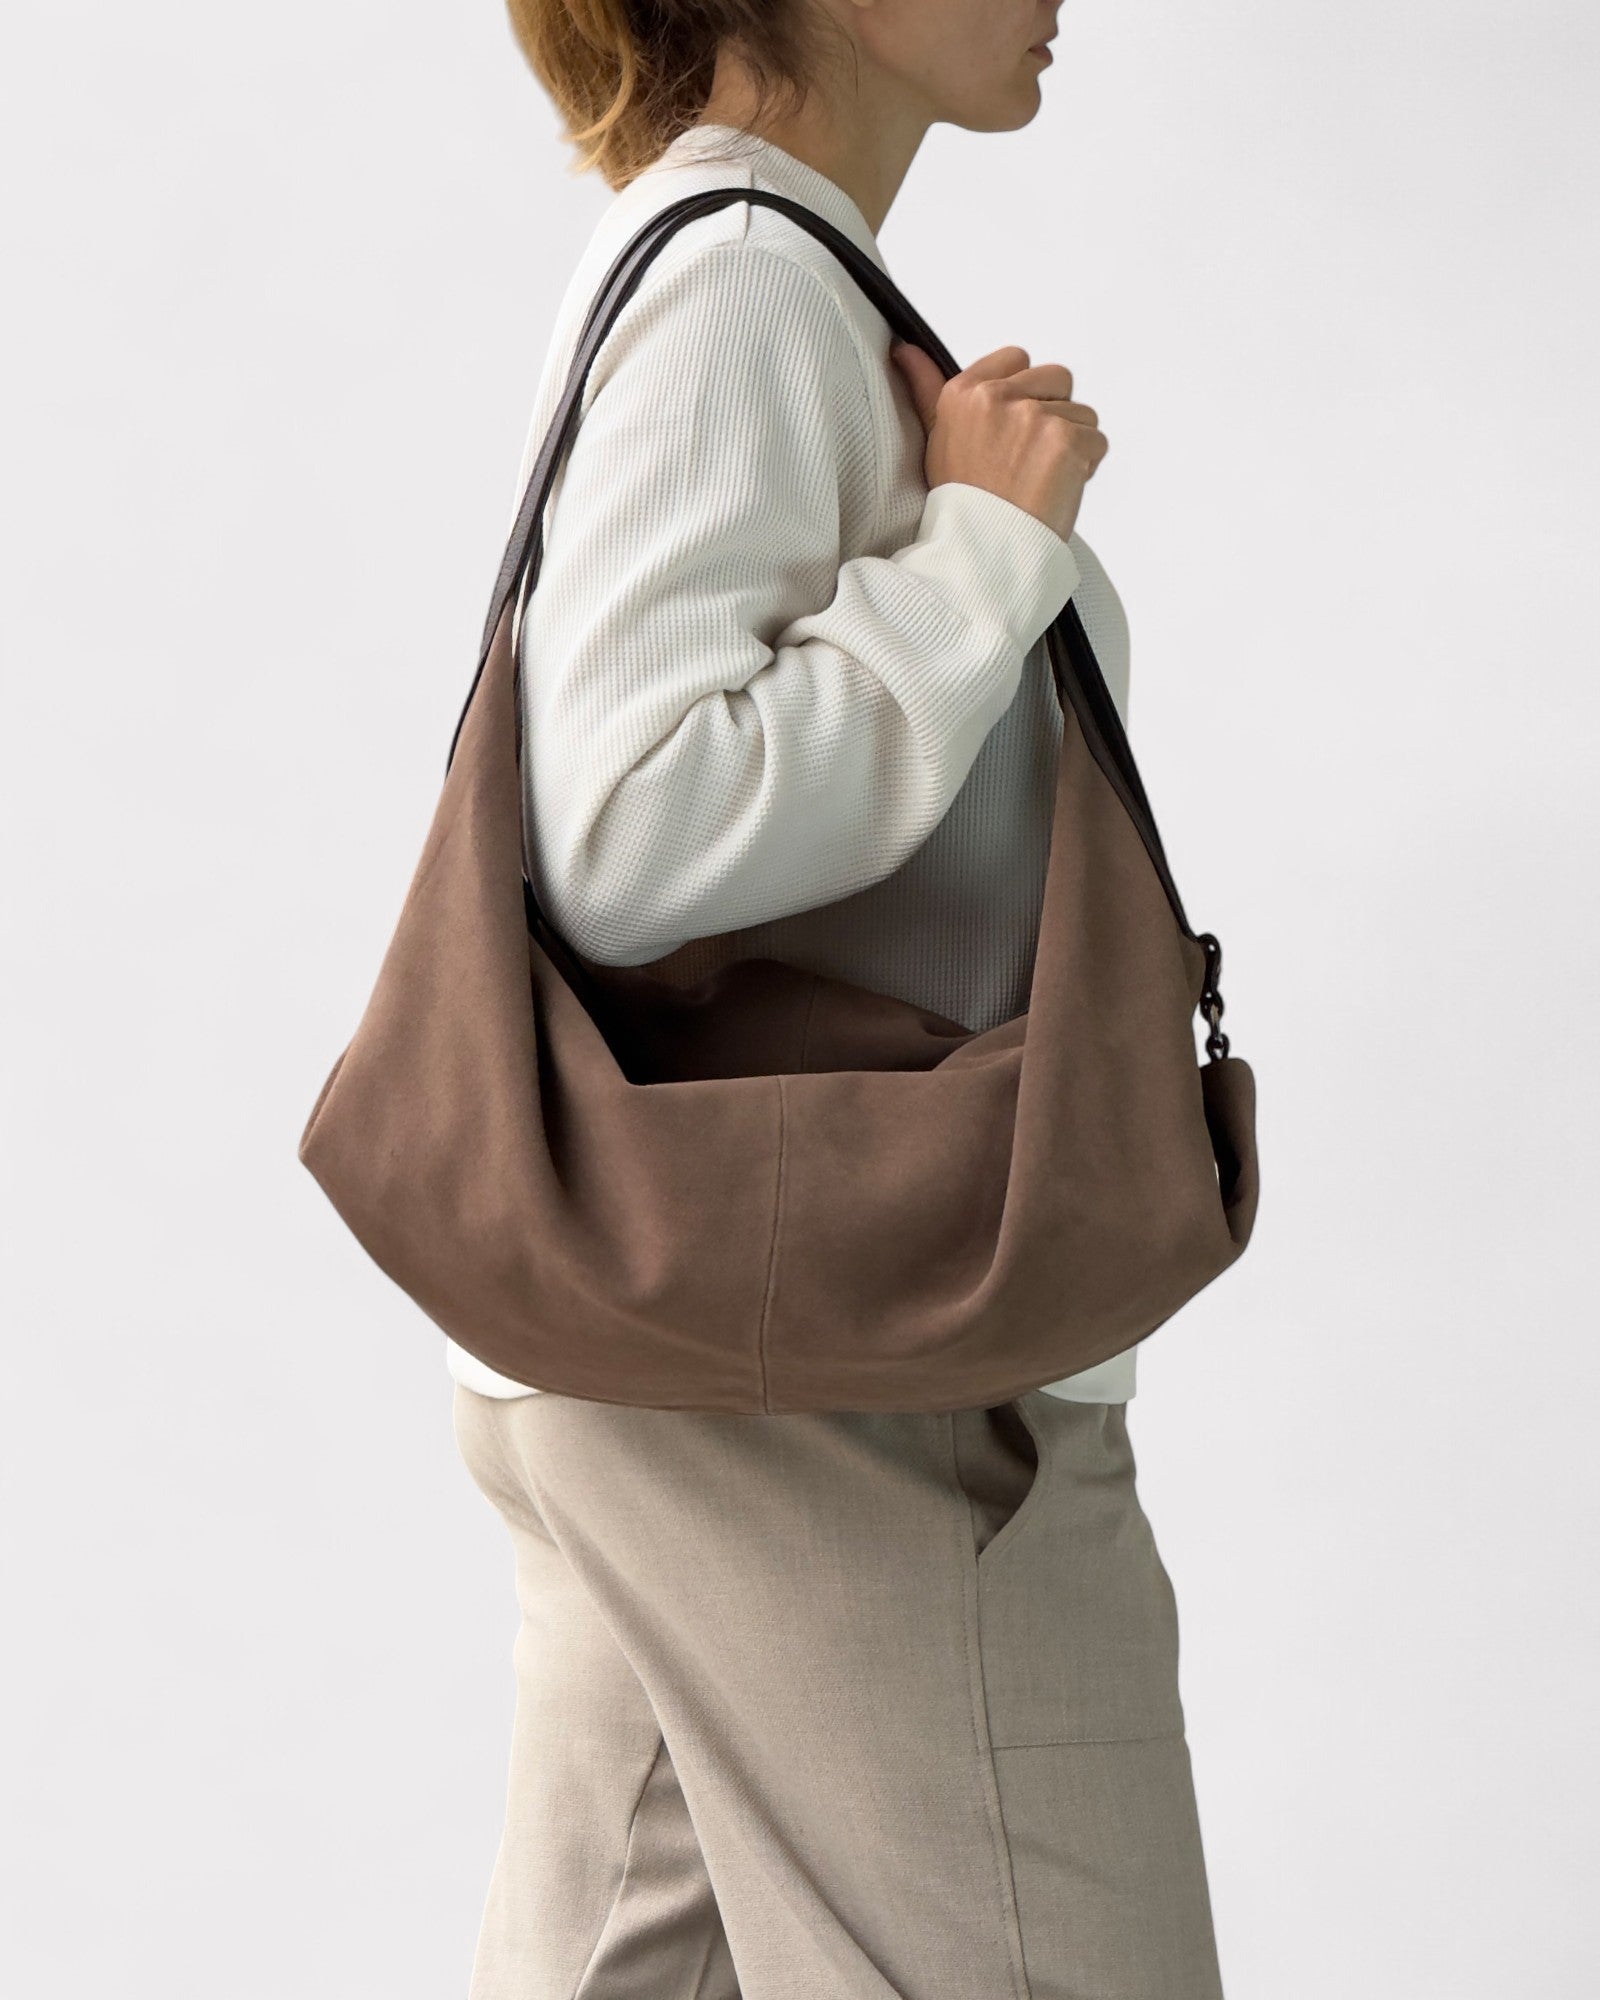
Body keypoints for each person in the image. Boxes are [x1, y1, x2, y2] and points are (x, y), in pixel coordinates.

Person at [449, 3, 1228, 1994]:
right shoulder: (736, 288)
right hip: (851, 1399)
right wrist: (979, 549)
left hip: (679, 1357)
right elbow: (626, 823)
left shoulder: (735, 268)